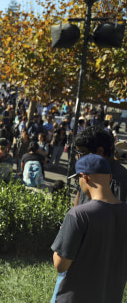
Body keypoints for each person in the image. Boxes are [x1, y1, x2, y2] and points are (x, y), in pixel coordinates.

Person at [50, 154, 127, 302]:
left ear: (85, 178)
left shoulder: (79, 214)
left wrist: (63, 235)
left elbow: (61, 265)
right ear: (110, 177)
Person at [74, 126, 127, 205]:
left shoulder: (120, 180)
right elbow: (79, 197)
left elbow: (119, 213)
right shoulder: (87, 170)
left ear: (100, 151)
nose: (79, 157)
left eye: (82, 153)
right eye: (77, 153)